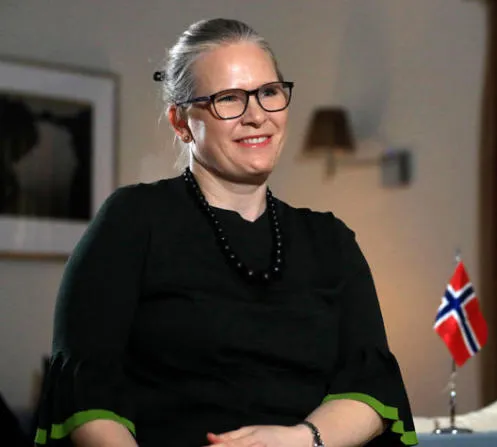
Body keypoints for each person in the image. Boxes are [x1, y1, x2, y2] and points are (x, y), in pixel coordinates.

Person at [33, 18, 418, 447]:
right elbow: (87, 394)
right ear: (181, 121)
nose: (257, 116)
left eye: (269, 92)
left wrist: (296, 440)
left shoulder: (331, 241)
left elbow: (370, 386)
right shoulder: (133, 221)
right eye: (228, 99)